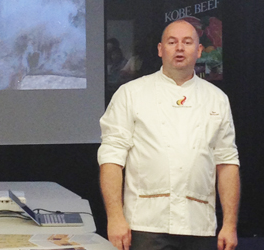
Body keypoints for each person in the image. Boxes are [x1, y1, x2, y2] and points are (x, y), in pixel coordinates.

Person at [98, 20, 240, 250]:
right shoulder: (131, 94)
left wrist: (230, 224)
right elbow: (111, 160)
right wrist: (115, 218)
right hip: (145, 224)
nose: (180, 48)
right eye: (172, 42)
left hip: (199, 224)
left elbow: (227, 163)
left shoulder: (217, 99)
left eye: (187, 42)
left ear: (199, 50)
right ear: (160, 50)